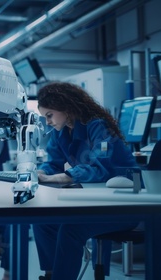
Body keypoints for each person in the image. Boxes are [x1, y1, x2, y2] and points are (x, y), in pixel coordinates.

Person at [32, 81, 139, 280]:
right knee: (42, 221)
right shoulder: (61, 132)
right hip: (95, 201)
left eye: (49, 115)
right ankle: (51, 274)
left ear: (67, 107)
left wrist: (59, 177)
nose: (47, 122)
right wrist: (39, 172)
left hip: (124, 205)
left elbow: (100, 167)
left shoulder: (98, 126)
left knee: (71, 229)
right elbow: (52, 164)